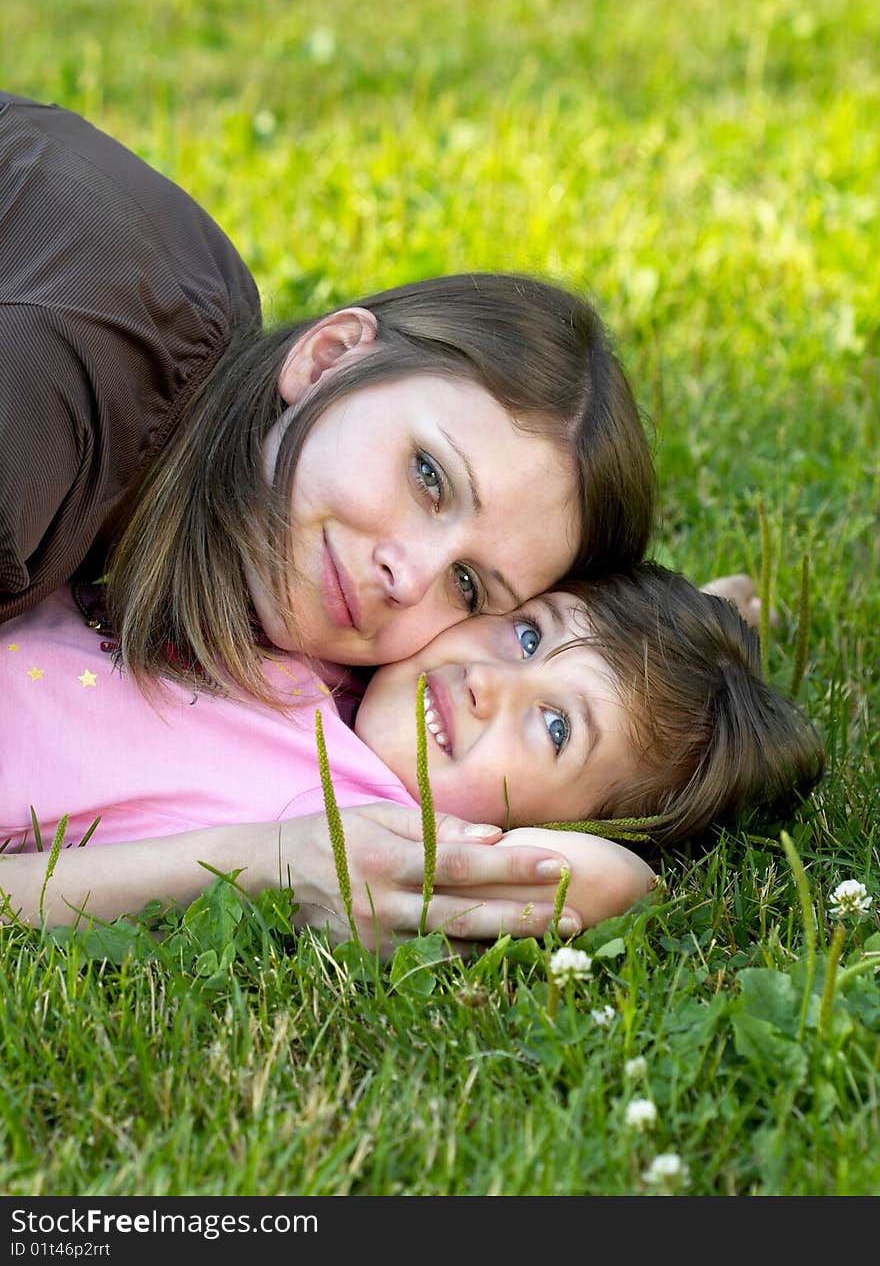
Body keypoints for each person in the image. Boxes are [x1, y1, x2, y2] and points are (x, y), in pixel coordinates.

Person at [0, 87, 659, 946]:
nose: (408, 577)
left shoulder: (199, 378)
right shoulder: (59, 390)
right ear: (329, 358)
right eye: (429, 476)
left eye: (469, 586)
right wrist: (266, 863)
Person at [0, 564, 823, 946]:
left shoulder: (340, 822)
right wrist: (718, 610)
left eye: (557, 728)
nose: (485, 682)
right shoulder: (340, 640)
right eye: (528, 633)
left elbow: (610, 881)